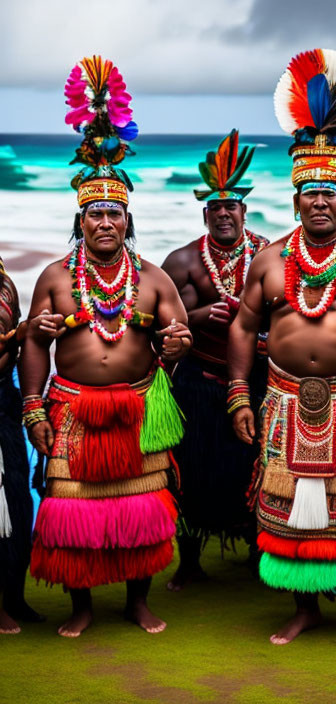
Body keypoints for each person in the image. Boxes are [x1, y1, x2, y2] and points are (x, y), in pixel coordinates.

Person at [229, 49, 336, 646]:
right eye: (312, 192)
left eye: (332, 191)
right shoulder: (269, 261)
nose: (323, 201)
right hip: (282, 399)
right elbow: (242, 326)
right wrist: (237, 394)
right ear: (296, 198)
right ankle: (304, 609)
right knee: (289, 513)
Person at [21, 56, 191, 637]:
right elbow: (31, 347)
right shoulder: (52, 278)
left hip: (138, 408)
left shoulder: (151, 277)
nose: (104, 223)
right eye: (94, 213)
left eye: (114, 213)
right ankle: (82, 607)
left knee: (141, 512)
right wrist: (32, 406)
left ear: (127, 220)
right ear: (81, 219)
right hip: (72, 407)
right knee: (72, 514)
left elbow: (179, 334)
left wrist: (175, 341)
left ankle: (138, 603)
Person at [161, 130, 269, 590]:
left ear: (244, 212)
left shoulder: (269, 255)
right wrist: (201, 314)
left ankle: (254, 551)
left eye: (232, 207)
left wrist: (263, 332)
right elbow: (159, 322)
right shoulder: (183, 261)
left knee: (255, 468)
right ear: (206, 214)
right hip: (200, 382)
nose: (224, 214)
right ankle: (189, 562)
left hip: (258, 381)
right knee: (191, 471)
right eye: (216, 208)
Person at [0, 260, 42, 634]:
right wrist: (17, 335)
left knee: (18, 501)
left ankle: (13, 596)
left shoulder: (6, 283)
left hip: (4, 402)